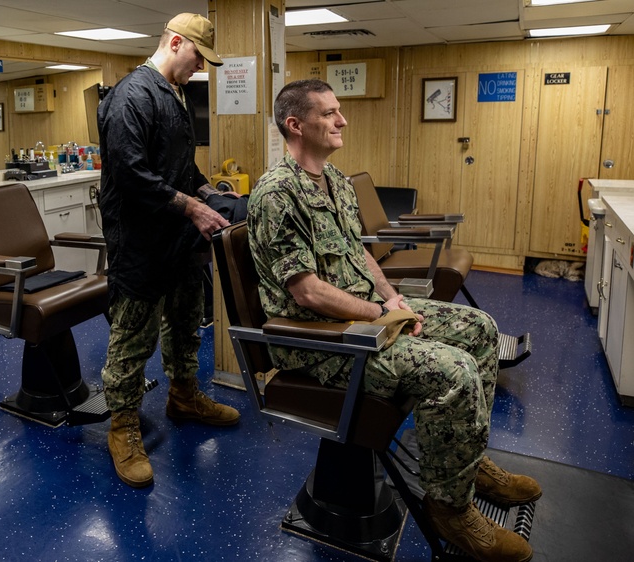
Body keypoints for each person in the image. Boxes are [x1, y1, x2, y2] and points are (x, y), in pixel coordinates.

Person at [247, 79, 541, 562]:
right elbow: (307, 292)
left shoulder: (336, 181)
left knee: (480, 329)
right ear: (296, 125)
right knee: (455, 371)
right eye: (330, 113)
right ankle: (450, 507)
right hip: (322, 340)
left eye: (340, 111)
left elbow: (358, 257)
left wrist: (393, 302)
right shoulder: (278, 194)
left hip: (365, 316)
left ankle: (464, 461)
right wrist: (380, 315)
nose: (343, 121)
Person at [96, 12, 240, 489]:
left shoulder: (174, 95)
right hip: (139, 243)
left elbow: (179, 166)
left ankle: (184, 394)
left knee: (185, 320)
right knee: (133, 340)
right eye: (198, 56)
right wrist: (190, 207)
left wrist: (207, 190)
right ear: (175, 42)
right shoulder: (131, 96)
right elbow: (130, 173)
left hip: (177, 239)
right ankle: (123, 427)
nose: (200, 68)